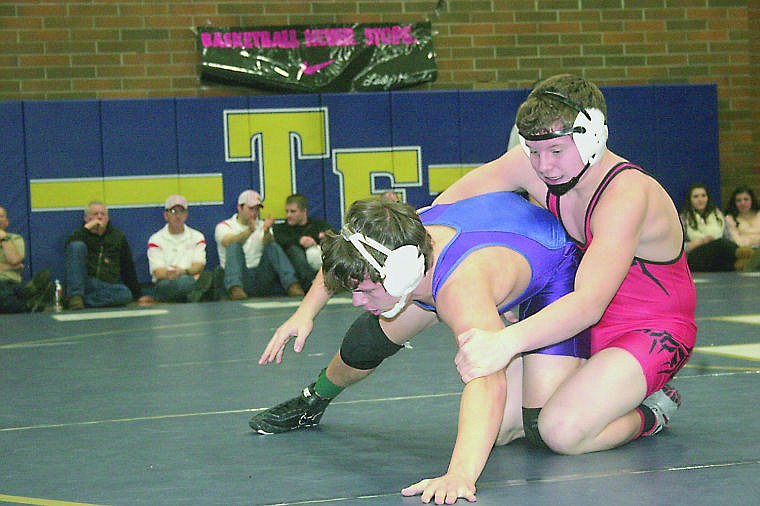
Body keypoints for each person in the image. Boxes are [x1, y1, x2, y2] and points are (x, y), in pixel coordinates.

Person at [252, 194, 591, 503]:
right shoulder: (392, 239)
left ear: (401, 275)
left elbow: (487, 378)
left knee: (534, 427)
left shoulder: (461, 290)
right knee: (365, 342)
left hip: (552, 269)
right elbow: (345, 258)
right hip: (474, 256)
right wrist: (304, 313)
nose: (356, 300)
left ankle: (637, 405)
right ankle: (314, 399)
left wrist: (460, 474)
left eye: (366, 291)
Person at [435, 74, 696, 460]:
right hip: (582, 324)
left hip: (651, 329)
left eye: (557, 151)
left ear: (592, 136)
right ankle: (601, 388)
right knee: (501, 428)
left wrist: (504, 342)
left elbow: (589, 302)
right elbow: (445, 209)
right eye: (535, 153)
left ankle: (652, 411)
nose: (545, 167)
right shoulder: (533, 164)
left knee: (561, 431)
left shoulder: (625, 194)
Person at [215, 190, 304, 300]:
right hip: (240, 276)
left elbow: (268, 242)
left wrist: (266, 231)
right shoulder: (224, 226)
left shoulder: (262, 225)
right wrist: (249, 231)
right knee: (234, 246)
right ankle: (235, 289)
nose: (254, 213)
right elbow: (227, 241)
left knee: (273, 246)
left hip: (260, 276)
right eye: (251, 208)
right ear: (240, 208)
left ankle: (292, 284)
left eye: (257, 209)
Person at [65, 200, 153, 309]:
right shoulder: (79, 235)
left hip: (107, 286)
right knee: (76, 246)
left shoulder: (117, 236)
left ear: (108, 217)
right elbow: (70, 251)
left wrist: (137, 295)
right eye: (95, 214)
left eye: (103, 214)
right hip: (85, 282)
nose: (100, 217)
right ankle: (76, 296)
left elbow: (127, 267)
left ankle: (80, 301)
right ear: (86, 218)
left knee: (124, 294)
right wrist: (86, 229)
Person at [147, 195, 213, 303]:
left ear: (186, 215)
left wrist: (183, 271)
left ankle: (190, 295)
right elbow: (158, 272)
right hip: (166, 282)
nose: (178, 216)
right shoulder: (156, 239)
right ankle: (196, 293)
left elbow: (199, 266)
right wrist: (173, 273)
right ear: (166, 215)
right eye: (173, 211)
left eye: (181, 212)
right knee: (183, 283)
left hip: (189, 277)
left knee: (188, 281)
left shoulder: (197, 237)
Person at [680, 183, 750, 272]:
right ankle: (741, 256)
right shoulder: (683, 218)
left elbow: (729, 238)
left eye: (703, 196)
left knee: (723, 250)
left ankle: (740, 263)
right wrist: (701, 241)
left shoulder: (718, 215)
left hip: (718, 256)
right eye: (696, 197)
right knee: (720, 243)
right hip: (696, 256)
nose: (700, 200)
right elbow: (680, 248)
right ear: (690, 199)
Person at [272, 194, 334, 292]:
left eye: (293, 211)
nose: (289, 215)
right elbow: (281, 239)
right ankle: (311, 284)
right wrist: (300, 241)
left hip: (318, 267)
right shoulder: (281, 229)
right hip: (296, 274)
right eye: (287, 211)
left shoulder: (318, 225)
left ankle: (335, 280)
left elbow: (333, 234)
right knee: (293, 249)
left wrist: (321, 238)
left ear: (304, 212)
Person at [0, 205, 53, 313]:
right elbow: (15, 265)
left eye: (1, 216)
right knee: (5, 297)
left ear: (7, 222)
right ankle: (29, 303)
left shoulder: (15, 238)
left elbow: (15, 260)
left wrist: (4, 238)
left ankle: (27, 294)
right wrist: (11, 267)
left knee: (7, 293)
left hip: (12, 282)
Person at [725, 186, 760, 271]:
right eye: (739, 200)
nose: (743, 203)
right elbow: (738, 242)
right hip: (744, 253)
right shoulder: (730, 219)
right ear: (734, 203)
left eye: (746, 199)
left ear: (752, 200)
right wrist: (756, 240)